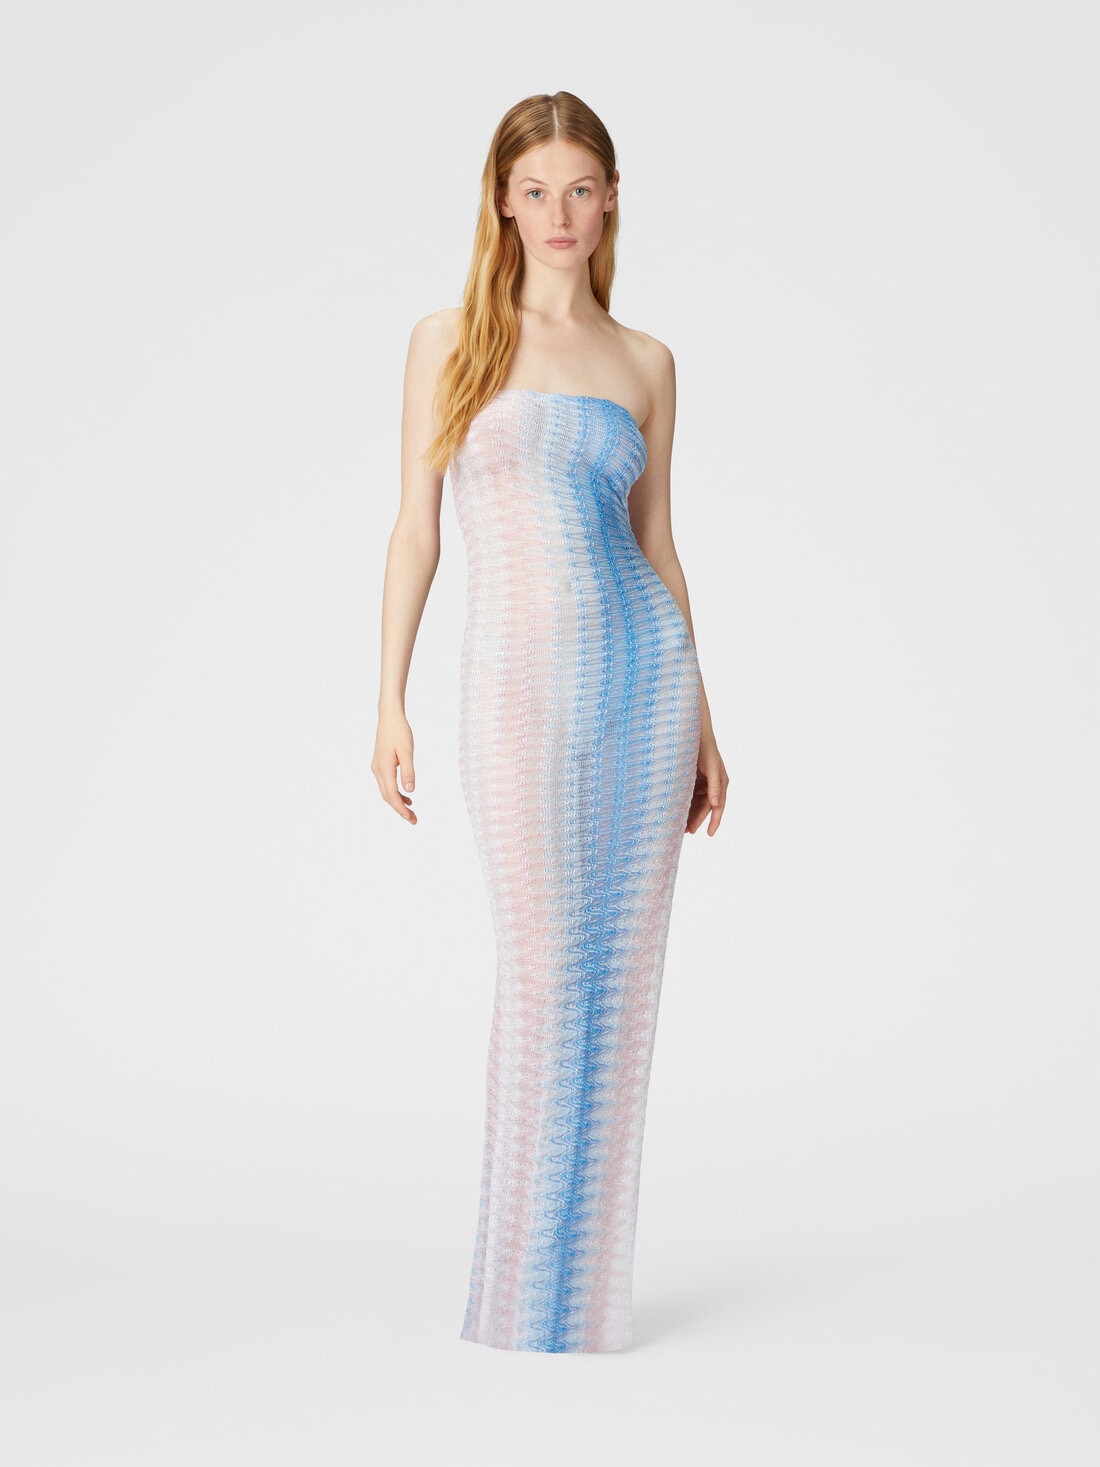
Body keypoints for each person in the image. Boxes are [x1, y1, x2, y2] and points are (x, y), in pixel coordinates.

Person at [372, 90, 728, 1352]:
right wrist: (387, 697)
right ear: (502, 203)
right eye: (535, 191)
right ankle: (518, 1296)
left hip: (643, 678)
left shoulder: (646, 364)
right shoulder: (449, 340)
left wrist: (705, 720)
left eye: (580, 189)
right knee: (540, 968)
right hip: (515, 679)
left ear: (610, 199)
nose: (559, 213)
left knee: (616, 981)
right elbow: (415, 532)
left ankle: (576, 1305)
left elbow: (658, 545)